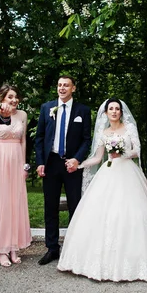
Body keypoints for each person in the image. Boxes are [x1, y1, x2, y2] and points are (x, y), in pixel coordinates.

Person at [57, 98, 147, 281]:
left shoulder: (129, 128)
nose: (115, 111)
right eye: (111, 109)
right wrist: (79, 165)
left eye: (117, 109)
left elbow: (137, 150)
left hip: (127, 171)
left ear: (121, 112)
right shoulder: (104, 132)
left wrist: (122, 152)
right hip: (108, 171)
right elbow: (97, 157)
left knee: (131, 212)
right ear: (106, 113)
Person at [34, 75, 91, 265]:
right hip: (51, 163)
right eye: (59, 85)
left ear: (73, 88)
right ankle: (52, 248)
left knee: (75, 206)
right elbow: (40, 137)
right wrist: (40, 161)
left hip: (72, 165)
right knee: (50, 207)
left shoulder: (82, 110)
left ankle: (74, 248)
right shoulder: (46, 108)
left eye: (66, 85)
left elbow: (86, 140)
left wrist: (77, 159)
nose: (62, 88)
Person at [0, 84, 31, 267]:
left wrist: (25, 165)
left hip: (16, 161)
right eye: (10, 96)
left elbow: (23, 140)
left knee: (14, 203)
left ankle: (13, 246)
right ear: (2, 98)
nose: (14, 100)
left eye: (16, 96)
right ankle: (0, 249)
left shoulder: (23, 115)